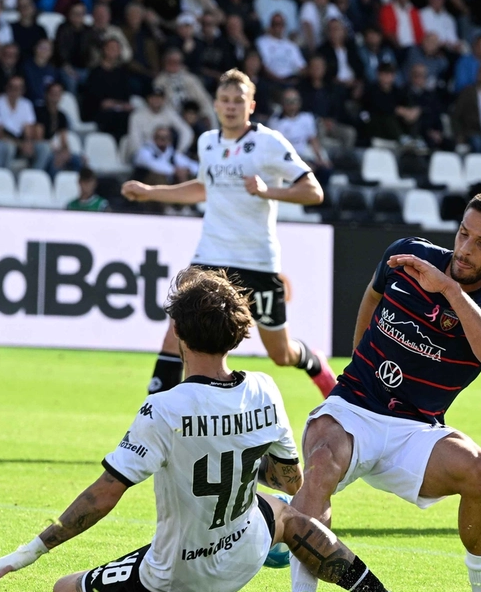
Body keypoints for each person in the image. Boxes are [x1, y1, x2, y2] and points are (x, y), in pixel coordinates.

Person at [0, 268, 449, 592]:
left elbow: (104, 494)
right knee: (285, 515)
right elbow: (291, 483)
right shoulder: (264, 389)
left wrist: (31, 550)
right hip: (243, 554)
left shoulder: (163, 408)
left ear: (177, 332)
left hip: (179, 580)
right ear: (239, 332)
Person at [282, 191, 481, 592]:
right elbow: (371, 298)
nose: (465, 248)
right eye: (464, 233)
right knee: (321, 465)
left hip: (415, 430)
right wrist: (357, 363)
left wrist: (449, 289)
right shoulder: (407, 257)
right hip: (351, 410)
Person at [121, 69, 335, 398]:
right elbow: (204, 189)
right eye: (224, 100)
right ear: (216, 105)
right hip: (210, 253)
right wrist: (151, 191)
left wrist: (267, 192)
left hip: (256, 260)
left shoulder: (267, 142)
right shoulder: (208, 142)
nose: (230, 106)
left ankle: (314, 363)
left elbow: (313, 191)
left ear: (251, 105)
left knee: (281, 354)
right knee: (176, 333)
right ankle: (153, 421)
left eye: (238, 101)